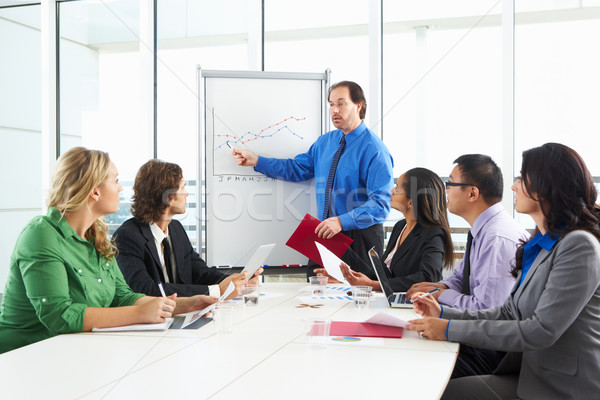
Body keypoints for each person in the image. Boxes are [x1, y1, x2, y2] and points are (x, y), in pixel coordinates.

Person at [407, 143, 600, 400]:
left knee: (441, 390)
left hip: (561, 386)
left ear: (545, 186)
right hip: (529, 371)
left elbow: (541, 330)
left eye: (521, 178)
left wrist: (448, 329)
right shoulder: (540, 243)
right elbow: (508, 312)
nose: (513, 186)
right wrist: (443, 313)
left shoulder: (579, 245)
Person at [0, 148, 217, 354]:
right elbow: (59, 315)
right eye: (115, 181)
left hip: (76, 353)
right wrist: (138, 313)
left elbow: (123, 297)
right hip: (26, 357)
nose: (121, 188)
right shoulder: (42, 234)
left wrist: (183, 305)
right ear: (95, 191)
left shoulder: (97, 236)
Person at [232, 81, 393, 279]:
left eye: (341, 104)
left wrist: (341, 222)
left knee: (358, 298)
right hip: (326, 231)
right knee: (315, 288)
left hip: (359, 236)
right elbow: (297, 168)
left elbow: (381, 205)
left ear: (358, 106)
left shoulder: (374, 149)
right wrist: (258, 161)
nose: (334, 110)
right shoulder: (326, 142)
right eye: (331, 104)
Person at [406, 154, 529, 378]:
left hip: (490, 351)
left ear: (472, 193)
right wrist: (436, 287)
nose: (445, 191)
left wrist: (441, 295)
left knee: (414, 363)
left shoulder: (496, 237)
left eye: (450, 184)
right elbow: (460, 277)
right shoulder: (483, 229)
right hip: (477, 336)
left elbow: (485, 308)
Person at [114, 160, 259, 300]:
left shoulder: (176, 229)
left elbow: (200, 273)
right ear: (168, 197)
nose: (187, 193)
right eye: (183, 187)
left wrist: (238, 281)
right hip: (153, 321)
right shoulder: (128, 236)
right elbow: (145, 290)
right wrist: (216, 291)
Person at [317, 167, 453, 292]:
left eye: (398, 188)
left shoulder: (433, 233)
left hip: (412, 307)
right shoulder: (400, 226)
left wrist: (372, 285)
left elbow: (428, 278)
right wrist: (346, 276)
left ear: (411, 201)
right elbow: (383, 272)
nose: (391, 191)